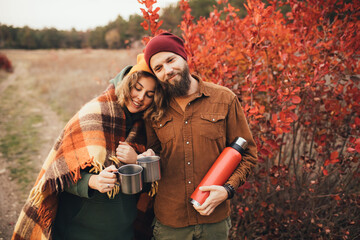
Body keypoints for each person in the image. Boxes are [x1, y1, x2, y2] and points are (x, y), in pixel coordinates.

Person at [12, 54, 166, 240]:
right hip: (78, 230)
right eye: (137, 88)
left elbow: (150, 186)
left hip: (123, 230)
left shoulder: (148, 127)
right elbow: (58, 173)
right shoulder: (93, 114)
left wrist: (138, 161)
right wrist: (92, 182)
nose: (141, 98)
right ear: (127, 83)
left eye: (150, 95)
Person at [143, 32, 258, 240]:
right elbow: (153, 160)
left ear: (184, 56)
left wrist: (227, 190)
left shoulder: (224, 99)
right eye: (158, 68)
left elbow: (248, 154)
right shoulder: (154, 111)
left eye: (170, 60)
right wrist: (144, 160)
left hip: (214, 221)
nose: (167, 70)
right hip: (170, 223)